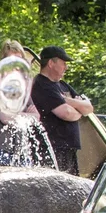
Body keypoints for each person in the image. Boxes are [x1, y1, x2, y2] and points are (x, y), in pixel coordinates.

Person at [0, 39, 49, 167]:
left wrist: (17, 114)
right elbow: (5, 118)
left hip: (20, 150)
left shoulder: (21, 84)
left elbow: (37, 116)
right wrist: (25, 114)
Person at [30, 46, 94, 175]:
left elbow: (88, 108)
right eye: (63, 63)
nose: (66, 67)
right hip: (52, 148)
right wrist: (78, 110)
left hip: (68, 148)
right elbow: (66, 113)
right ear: (51, 63)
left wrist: (69, 101)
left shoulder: (63, 85)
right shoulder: (42, 85)